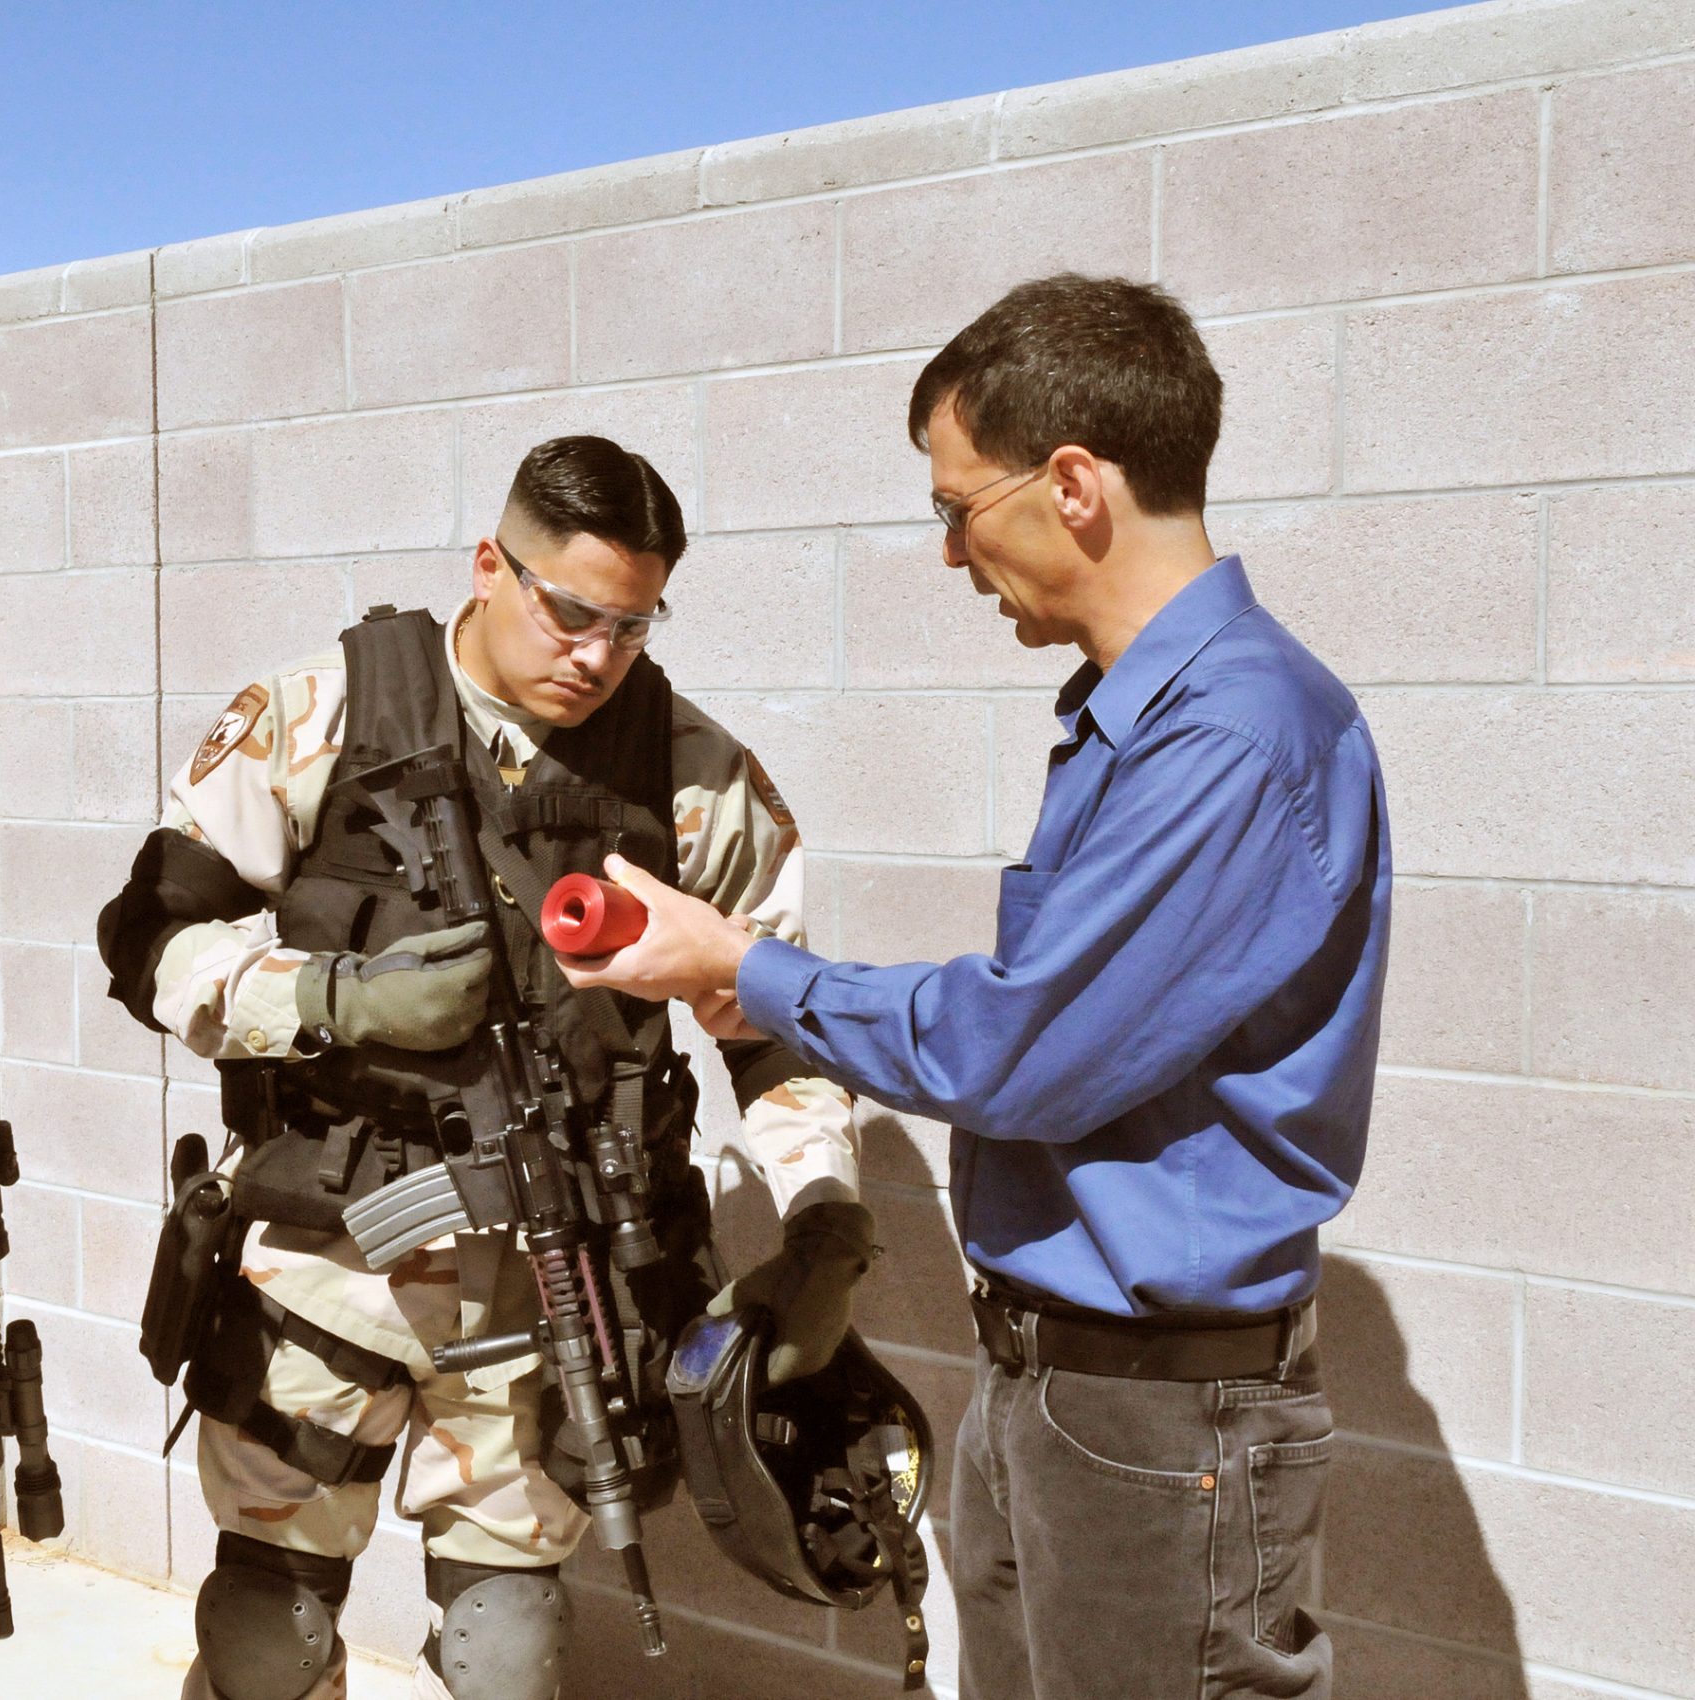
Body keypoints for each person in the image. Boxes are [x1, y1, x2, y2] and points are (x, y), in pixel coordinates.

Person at [560, 274, 1390, 1700]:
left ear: (1071, 485)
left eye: (958, 506)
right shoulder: (1143, 722)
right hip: (1073, 1397)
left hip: (1159, 1421)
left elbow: (1023, 1049)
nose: (950, 551)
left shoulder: (1235, 738)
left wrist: (741, 964)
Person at [98, 436, 871, 1700]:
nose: (596, 655)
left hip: (551, 1288)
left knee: (506, 1640)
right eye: (570, 612)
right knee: (265, 1625)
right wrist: (327, 995)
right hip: (324, 1265)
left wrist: (825, 1212)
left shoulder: (691, 770)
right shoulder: (317, 714)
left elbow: (773, 1021)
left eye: (632, 623)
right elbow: (148, 937)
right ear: (489, 565)